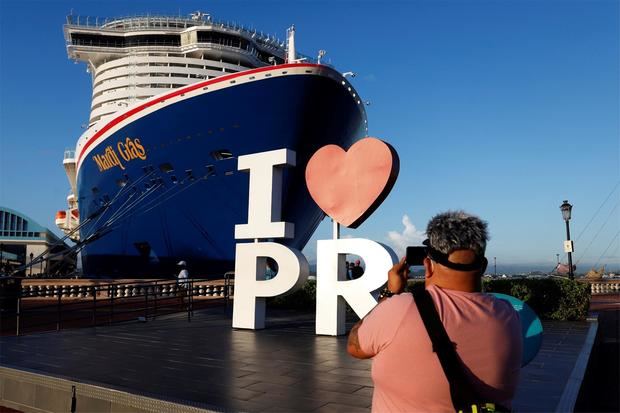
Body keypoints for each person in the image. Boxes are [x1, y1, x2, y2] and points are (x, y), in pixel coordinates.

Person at [347, 211, 522, 412]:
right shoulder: (508, 315)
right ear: (483, 267)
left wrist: (390, 293)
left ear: (427, 266)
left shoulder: (400, 309)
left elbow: (355, 346)